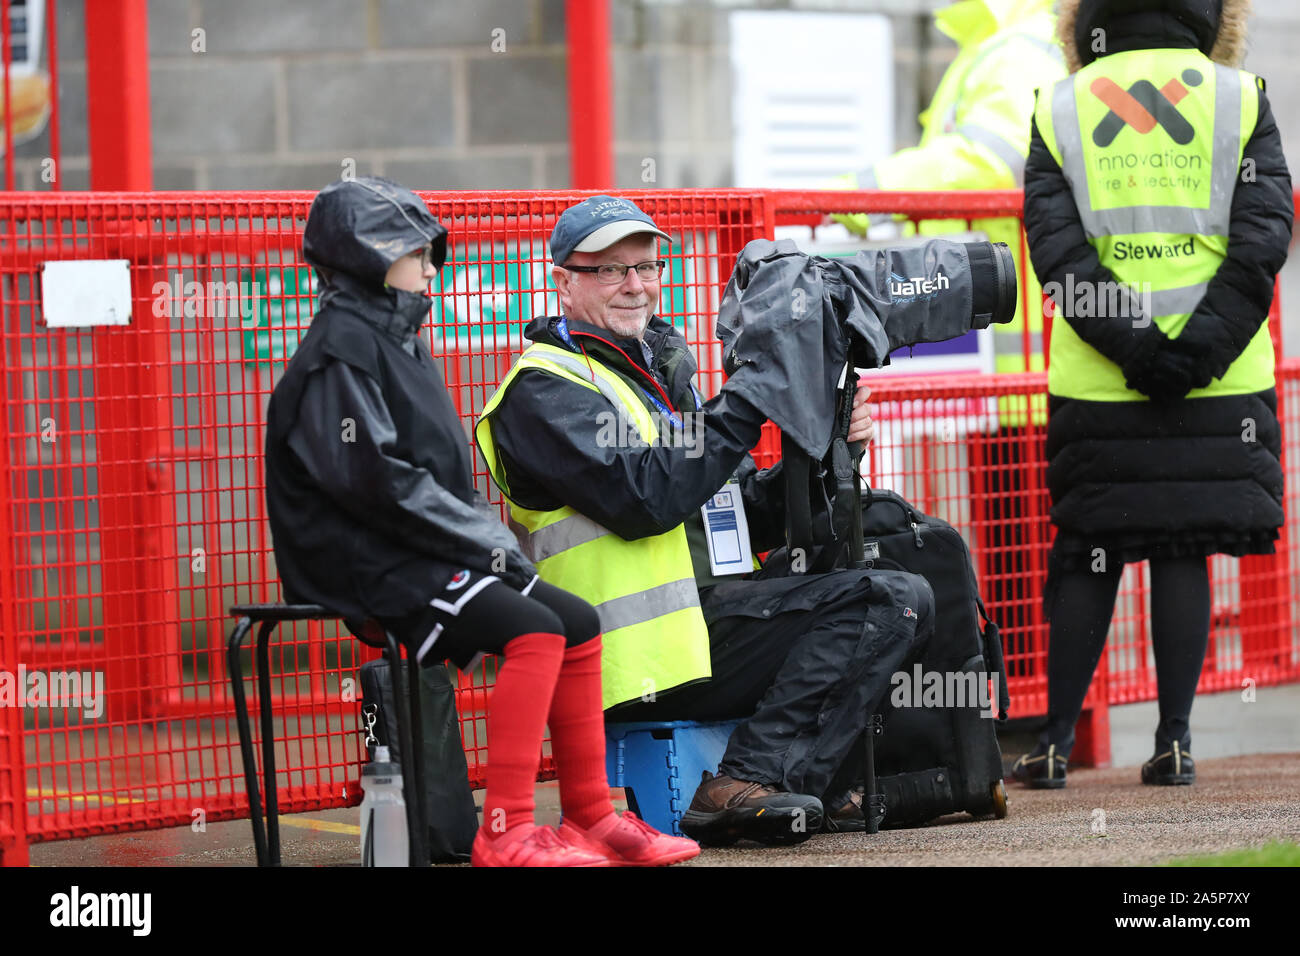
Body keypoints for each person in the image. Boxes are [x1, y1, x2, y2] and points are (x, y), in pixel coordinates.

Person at [262, 177, 700, 866]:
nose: (430, 267)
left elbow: (431, 473)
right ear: (366, 259)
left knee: (577, 623)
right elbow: (376, 484)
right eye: (414, 253)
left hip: (419, 549)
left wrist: (482, 544)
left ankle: (591, 817)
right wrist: (483, 541)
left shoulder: (394, 338)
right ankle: (506, 830)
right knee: (532, 632)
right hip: (368, 560)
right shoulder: (341, 349)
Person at [475, 195, 937, 845]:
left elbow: (749, 514)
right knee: (881, 601)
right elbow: (645, 500)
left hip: (702, 628)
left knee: (902, 583)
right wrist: (749, 399)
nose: (634, 284)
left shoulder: (665, 381)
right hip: (630, 660)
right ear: (564, 283)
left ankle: (786, 783)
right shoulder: (541, 389)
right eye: (610, 270)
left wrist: (837, 448)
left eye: (646, 266)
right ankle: (743, 782)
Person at [1015, 0, 1290, 788]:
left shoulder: (1060, 104)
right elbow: (1263, 236)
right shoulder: (1240, 97)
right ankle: (1173, 741)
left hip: (1101, 379)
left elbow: (1056, 247)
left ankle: (1054, 745)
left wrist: (1135, 348)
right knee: (1182, 547)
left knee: (1088, 550)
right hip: (1220, 375)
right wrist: (1194, 349)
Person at [832, 0, 1067, 678]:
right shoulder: (999, 44)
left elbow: (987, 162)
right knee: (1014, 543)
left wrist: (863, 191)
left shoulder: (1017, 48)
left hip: (1020, 351)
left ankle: (1034, 696)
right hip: (1008, 349)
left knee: (1025, 544)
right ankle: (1027, 697)